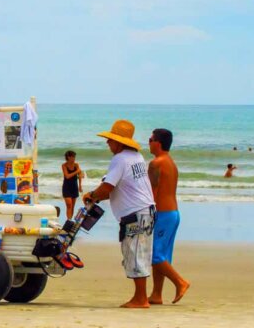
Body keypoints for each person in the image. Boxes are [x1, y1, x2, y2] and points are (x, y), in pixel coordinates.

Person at [82, 120, 155, 309]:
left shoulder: (120, 159)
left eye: (110, 140)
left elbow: (107, 188)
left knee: (134, 253)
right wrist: (98, 196)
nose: (108, 143)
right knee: (140, 253)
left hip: (135, 213)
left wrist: (91, 195)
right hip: (146, 210)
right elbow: (121, 188)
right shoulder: (137, 157)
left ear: (119, 143)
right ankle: (141, 297)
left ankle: (141, 299)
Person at [147, 128, 190, 305]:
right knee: (163, 256)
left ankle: (181, 282)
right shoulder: (170, 162)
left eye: (150, 139)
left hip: (163, 214)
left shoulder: (156, 163)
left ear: (158, 143)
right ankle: (157, 294)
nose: (148, 142)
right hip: (173, 213)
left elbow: (152, 192)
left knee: (154, 255)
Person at [61, 151, 84, 220]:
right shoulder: (64, 165)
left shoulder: (76, 165)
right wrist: (77, 171)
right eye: (72, 157)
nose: (74, 158)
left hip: (74, 187)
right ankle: (68, 220)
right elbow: (67, 176)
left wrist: (80, 186)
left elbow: (80, 176)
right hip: (66, 187)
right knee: (69, 205)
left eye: (74, 157)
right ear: (68, 157)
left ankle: (70, 221)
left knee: (73, 206)